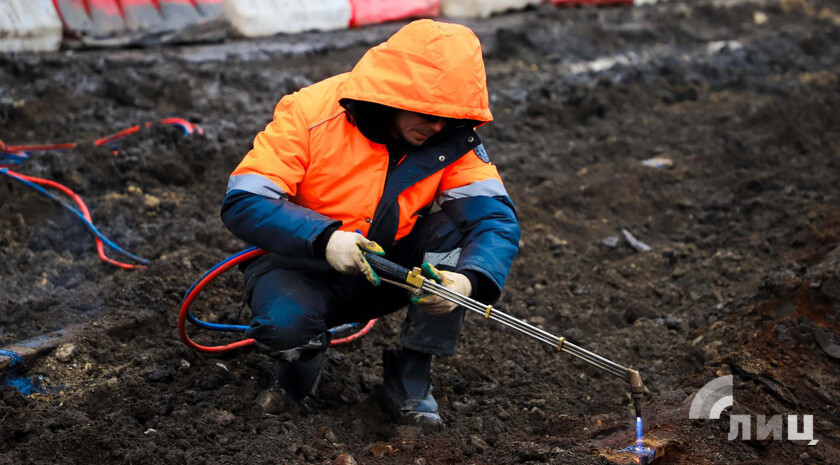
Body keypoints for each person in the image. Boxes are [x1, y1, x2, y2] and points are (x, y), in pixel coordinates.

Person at [221, 19, 520, 427]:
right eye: (430, 115)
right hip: (301, 264)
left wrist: (465, 283)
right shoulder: (309, 113)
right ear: (395, 95)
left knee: (454, 235)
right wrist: (324, 239)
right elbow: (245, 200)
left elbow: (495, 220)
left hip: (390, 269)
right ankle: (296, 378)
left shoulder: (450, 137)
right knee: (284, 325)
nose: (438, 128)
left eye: (450, 119)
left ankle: (411, 376)